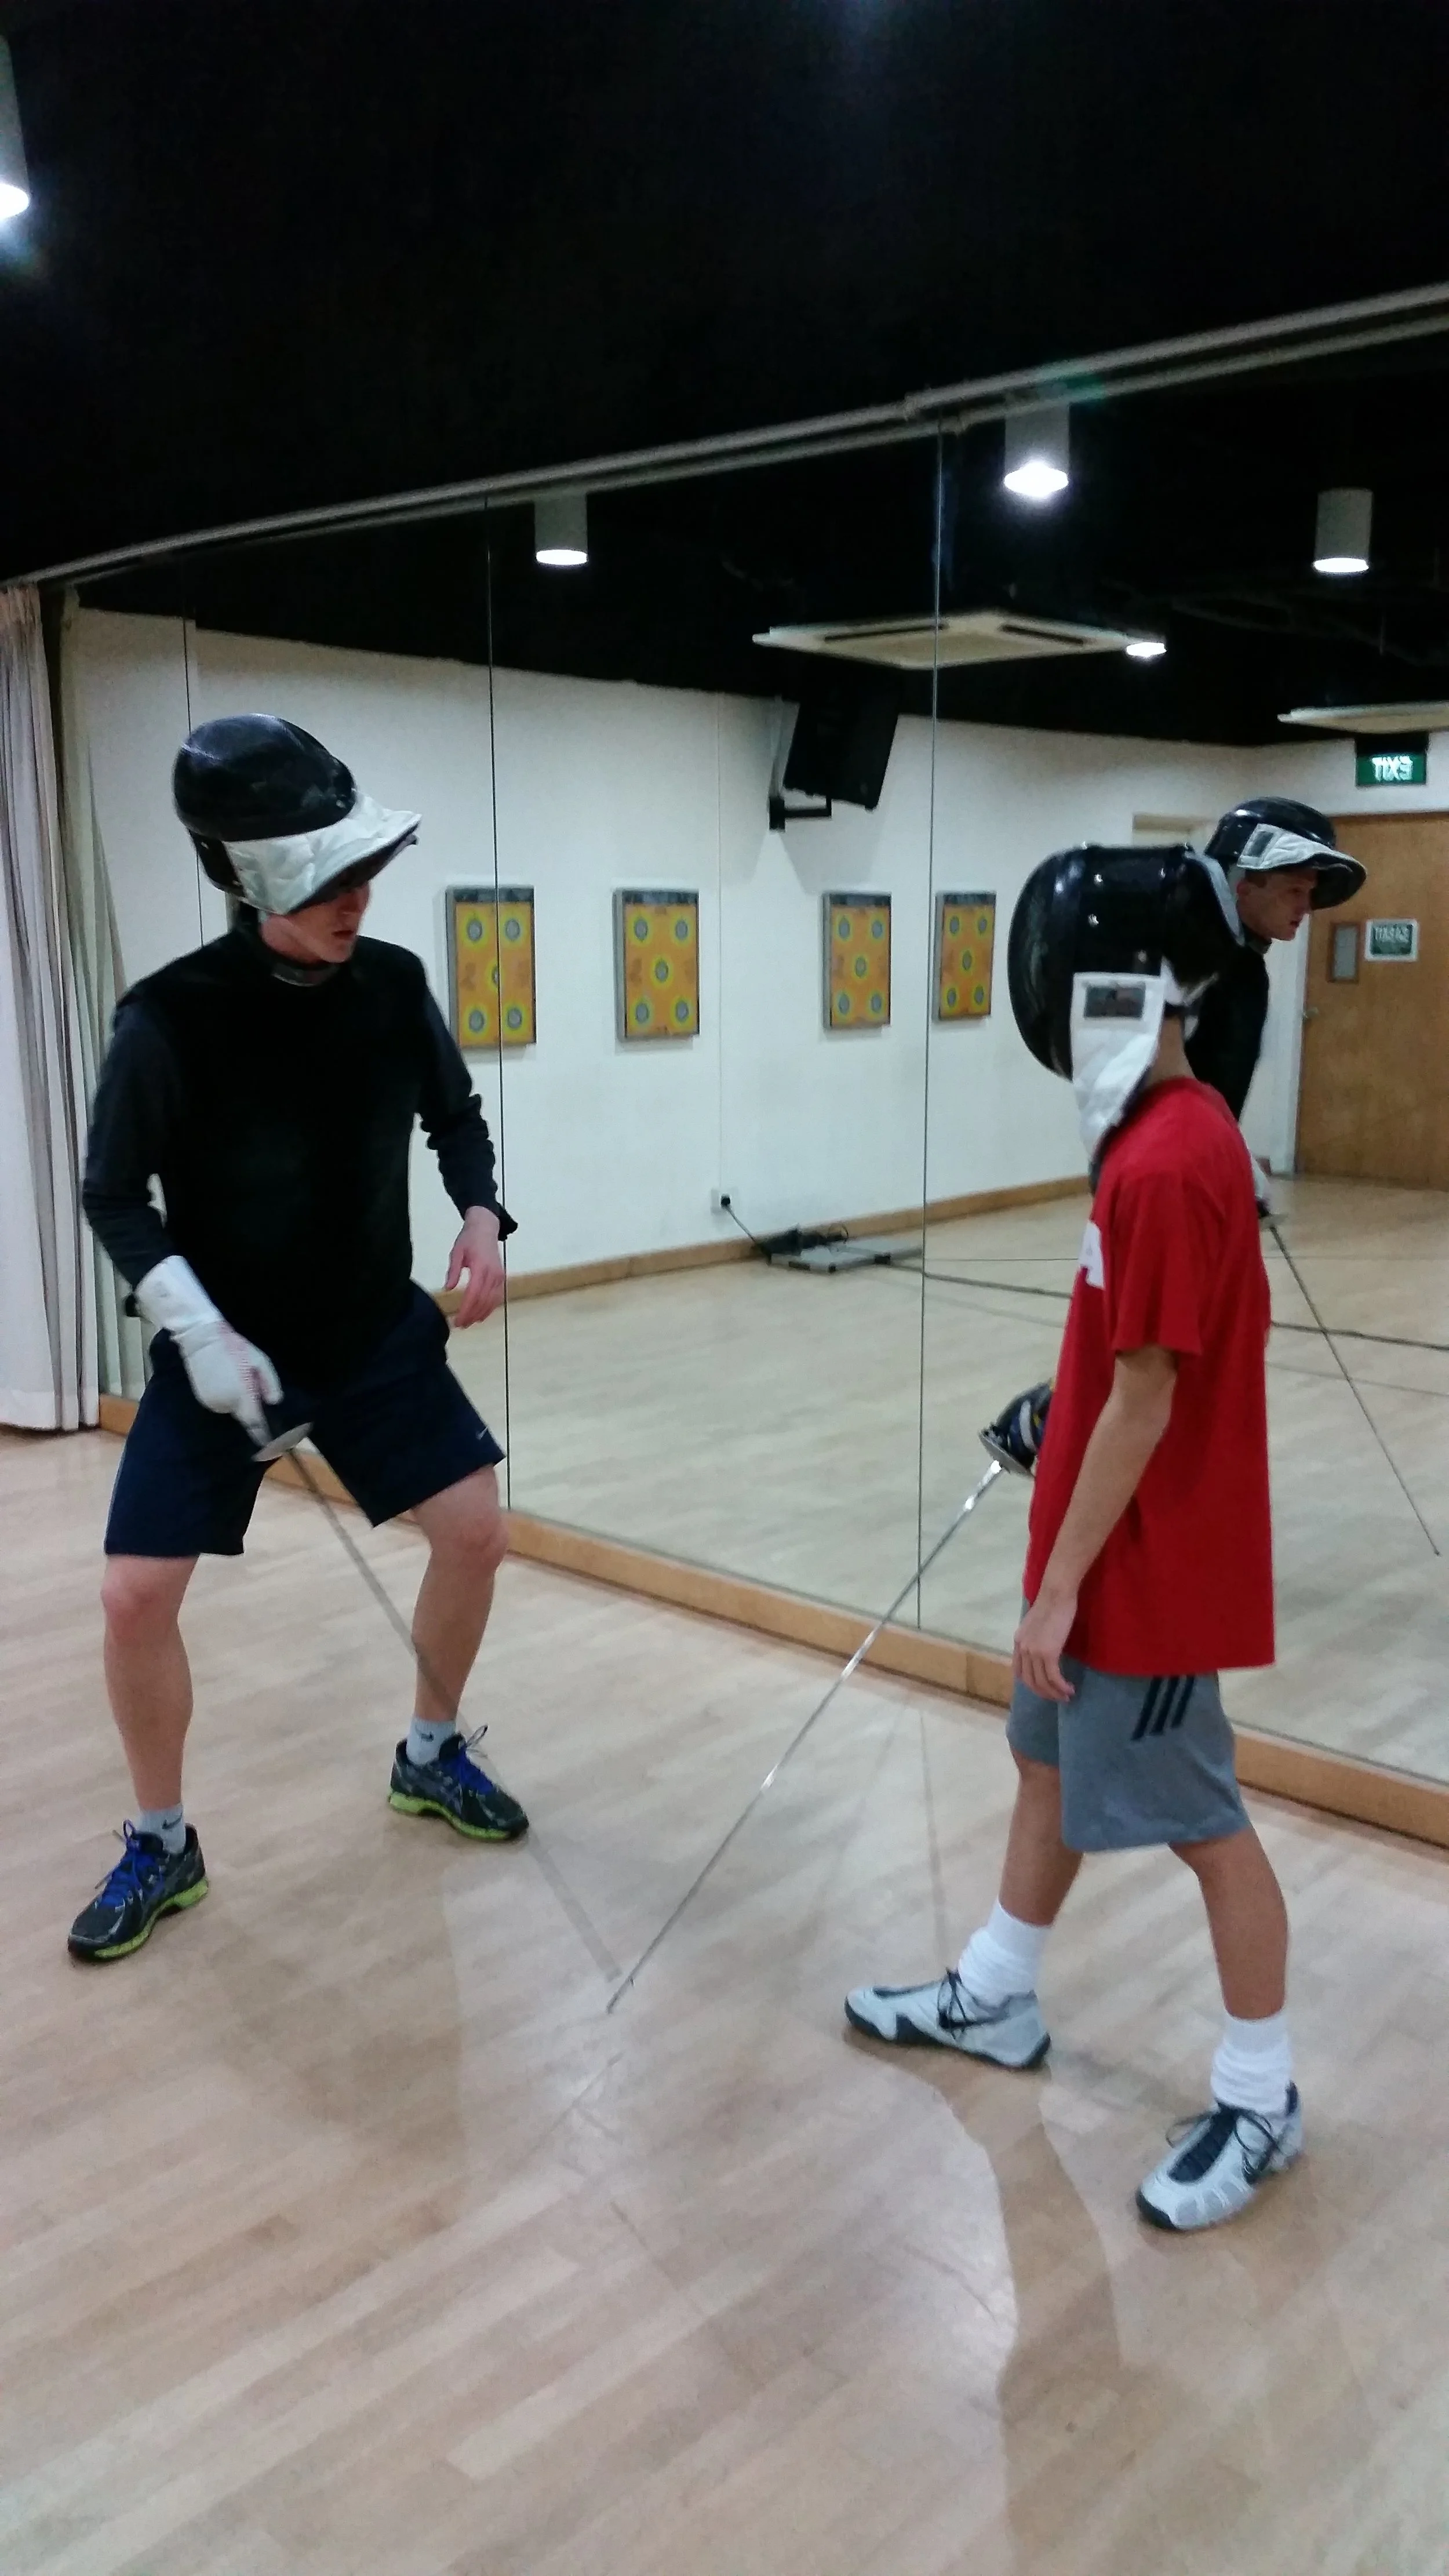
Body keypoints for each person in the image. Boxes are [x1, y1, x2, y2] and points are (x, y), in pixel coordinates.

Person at [847, 845, 1299, 2232]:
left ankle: (1261, 2092)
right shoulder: (1158, 1138)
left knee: (1202, 1823)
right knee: (1043, 1768)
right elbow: (1136, 1360)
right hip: (1102, 1546)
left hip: (1142, 1573)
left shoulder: (1167, 1158)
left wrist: (1056, 1591)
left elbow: (1152, 1395)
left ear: (1117, 988)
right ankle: (996, 1988)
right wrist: (1064, 1406)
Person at [71, 715, 525, 1965]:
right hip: (224, 1349)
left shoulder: (394, 985)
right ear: (247, 875)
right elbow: (112, 1193)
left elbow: (455, 1114)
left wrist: (481, 1213)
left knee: (476, 1531)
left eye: (361, 871)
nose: (355, 898)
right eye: (328, 879)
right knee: (132, 1594)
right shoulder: (168, 1017)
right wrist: (196, 1326)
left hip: (372, 1332)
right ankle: (162, 1839)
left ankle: (430, 1751)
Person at [981, 795, 1365, 1477]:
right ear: (1245, 882)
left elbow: (1209, 1089)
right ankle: (1050, 1425)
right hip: (1160, 1176)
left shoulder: (1240, 970)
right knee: (1147, 1340)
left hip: (1186, 1169)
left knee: (1177, 1335)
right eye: (1294, 890)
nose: (1304, 909)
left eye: (1311, 894)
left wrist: (1227, 1161)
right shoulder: (1199, 968)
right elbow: (1146, 1078)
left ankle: (1065, 1430)